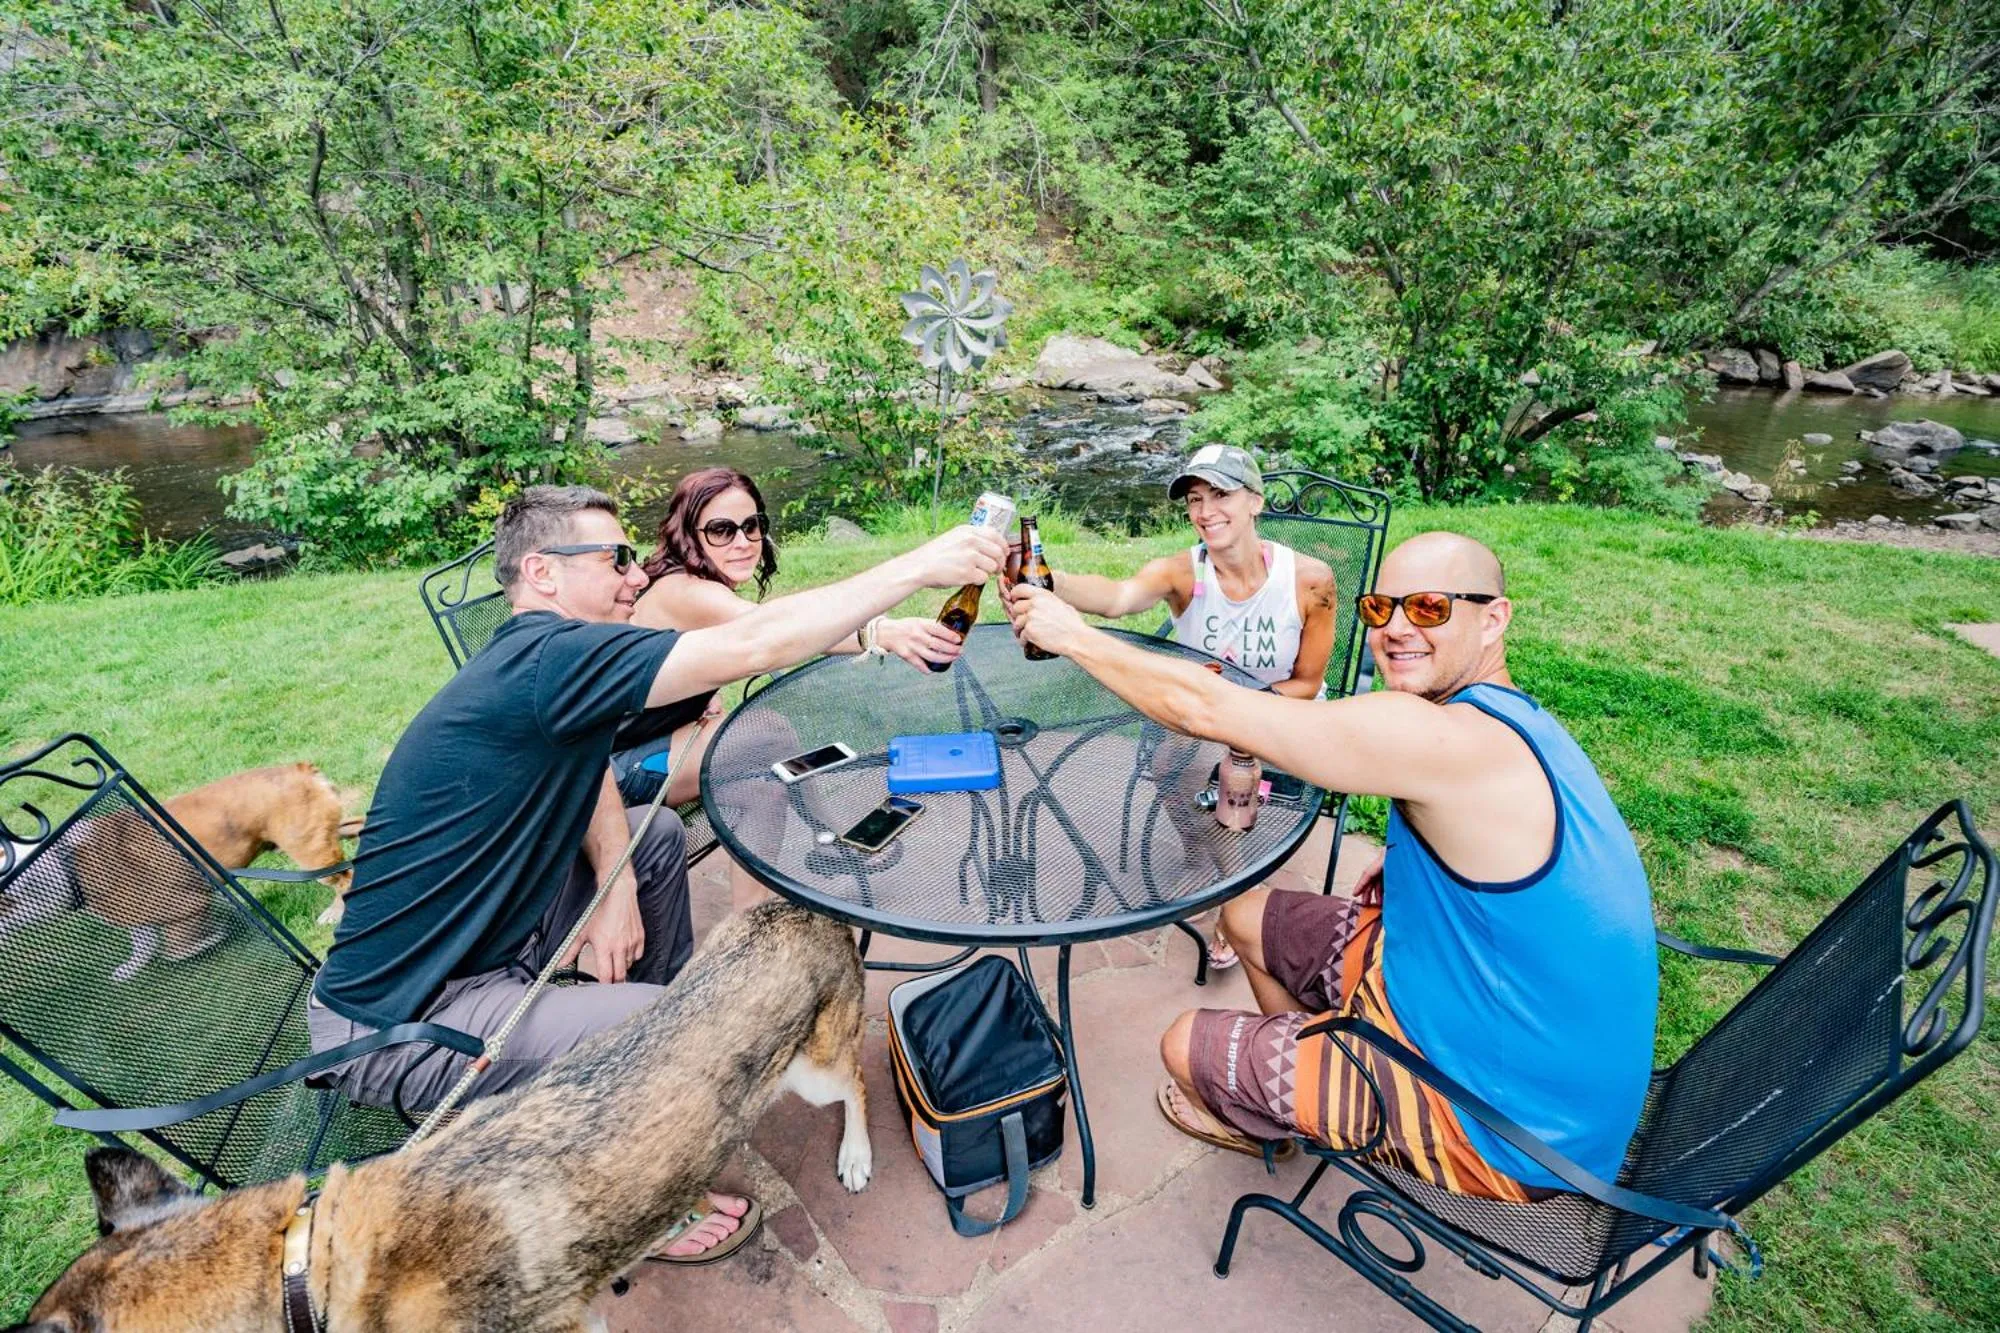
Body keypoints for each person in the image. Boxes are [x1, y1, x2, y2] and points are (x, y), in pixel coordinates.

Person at [311, 485, 1002, 1263]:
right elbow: (754, 643)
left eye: (631, 558)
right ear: (541, 572)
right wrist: (925, 563)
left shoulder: (547, 661)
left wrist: (617, 882)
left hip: (491, 927)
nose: (634, 576)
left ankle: (656, 1044)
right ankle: (648, 1182)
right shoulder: (547, 657)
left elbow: (592, 768)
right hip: (408, 1017)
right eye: (613, 559)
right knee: (686, 1030)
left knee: (658, 835)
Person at [1005, 531, 1657, 1202]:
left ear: (1495, 617)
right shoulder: (1510, 722)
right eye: (1382, 610)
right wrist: (1409, 863)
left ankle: (1310, 1097)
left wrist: (1074, 636)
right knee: (1247, 914)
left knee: (1182, 1044)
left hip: (1508, 1125)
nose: (1397, 629)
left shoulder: (1432, 734)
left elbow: (1205, 709)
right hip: (1492, 1016)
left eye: (1430, 607)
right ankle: (1310, 1076)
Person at [1034, 444, 1337, 971]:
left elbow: (1307, 683)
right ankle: (1213, 864)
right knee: (1170, 760)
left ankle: (1232, 903)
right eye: (1195, 499)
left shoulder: (1309, 580)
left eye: (1221, 494)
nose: (1205, 511)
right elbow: (1116, 597)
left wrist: (1238, 717)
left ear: (1255, 502)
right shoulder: (1182, 573)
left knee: (1224, 768)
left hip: (1283, 715)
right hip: (1206, 719)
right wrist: (1046, 580)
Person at [610, 466, 965, 810]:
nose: (743, 542)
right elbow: (777, 631)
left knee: (766, 798)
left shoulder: (685, 581)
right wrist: (881, 631)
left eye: (752, 526)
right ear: (688, 534)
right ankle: (829, 836)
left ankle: (824, 840)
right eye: (721, 530)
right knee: (769, 731)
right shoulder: (686, 591)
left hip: (651, 744)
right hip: (610, 775)